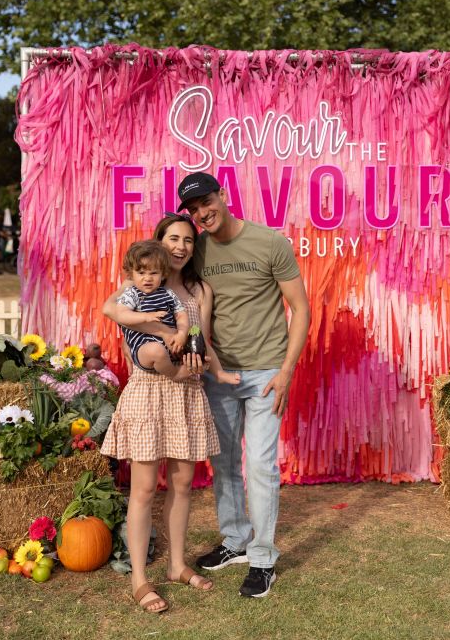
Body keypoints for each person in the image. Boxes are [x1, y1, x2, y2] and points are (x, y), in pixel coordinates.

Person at [177, 172, 311, 599]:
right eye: (193, 210)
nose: (201, 213)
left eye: (205, 202)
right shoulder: (195, 251)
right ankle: (235, 540)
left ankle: (263, 559)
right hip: (220, 374)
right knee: (224, 463)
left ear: (224, 195)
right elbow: (172, 289)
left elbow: (301, 310)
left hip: (266, 374)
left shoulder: (270, 243)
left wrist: (286, 371)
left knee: (260, 466)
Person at [101, 214, 239, 613]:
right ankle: (140, 579)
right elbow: (114, 313)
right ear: (160, 243)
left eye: (188, 241)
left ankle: (178, 565)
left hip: (187, 391)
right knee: (144, 488)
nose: (181, 246)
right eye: (173, 238)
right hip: (148, 391)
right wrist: (161, 333)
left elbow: (202, 340)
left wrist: (212, 369)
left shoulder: (197, 292)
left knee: (182, 485)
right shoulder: (135, 285)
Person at [116, 239, 191, 382]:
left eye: (154, 273)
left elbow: (181, 315)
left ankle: (199, 369)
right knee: (156, 350)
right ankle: (175, 374)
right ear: (131, 274)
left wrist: (181, 334)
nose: (147, 278)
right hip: (144, 349)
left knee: (196, 346)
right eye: (141, 272)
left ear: (163, 274)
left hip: (170, 345)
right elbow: (121, 315)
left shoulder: (168, 293)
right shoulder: (132, 294)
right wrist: (145, 316)